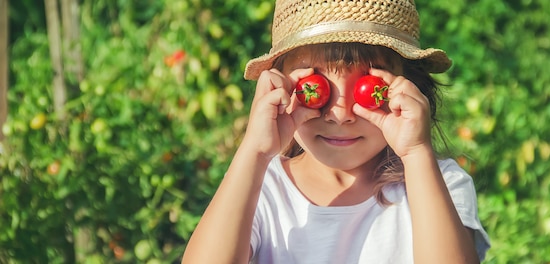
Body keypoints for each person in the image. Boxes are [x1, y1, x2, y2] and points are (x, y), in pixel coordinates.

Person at [182, 0, 491, 263]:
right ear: (281, 86)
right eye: (314, 88)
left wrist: (416, 153)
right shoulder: (262, 189)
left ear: (409, 87)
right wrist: (254, 151)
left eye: (366, 89)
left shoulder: (437, 183)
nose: (341, 115)